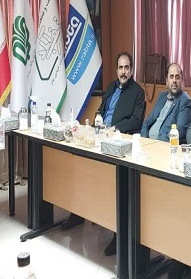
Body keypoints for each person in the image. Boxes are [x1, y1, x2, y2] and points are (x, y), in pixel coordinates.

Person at [61, 51, 146, 255]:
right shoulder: (110, 87)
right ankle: (78, 213)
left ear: (131, 70)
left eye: (127, 68)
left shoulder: (137, 92)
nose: (123, 72)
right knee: (81, 168)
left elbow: (136, 121)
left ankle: (117, 234)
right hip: (99, 136)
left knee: (111, 184)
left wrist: (114, 128)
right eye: (120, 68)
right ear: (116, 70)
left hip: (118, 141)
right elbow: (101, 110)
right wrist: (96, 124)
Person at [141, 63, 191, 143]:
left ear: (181, 80)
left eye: (177, 77)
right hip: (147, 143)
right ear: (167, 81)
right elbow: (147, 122)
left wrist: (156, 143)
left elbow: (179, 131)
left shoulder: (185, 101)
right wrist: (144, 139)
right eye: (171, 77)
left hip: (163, 145)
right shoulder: (162, 97)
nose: (174, 81)